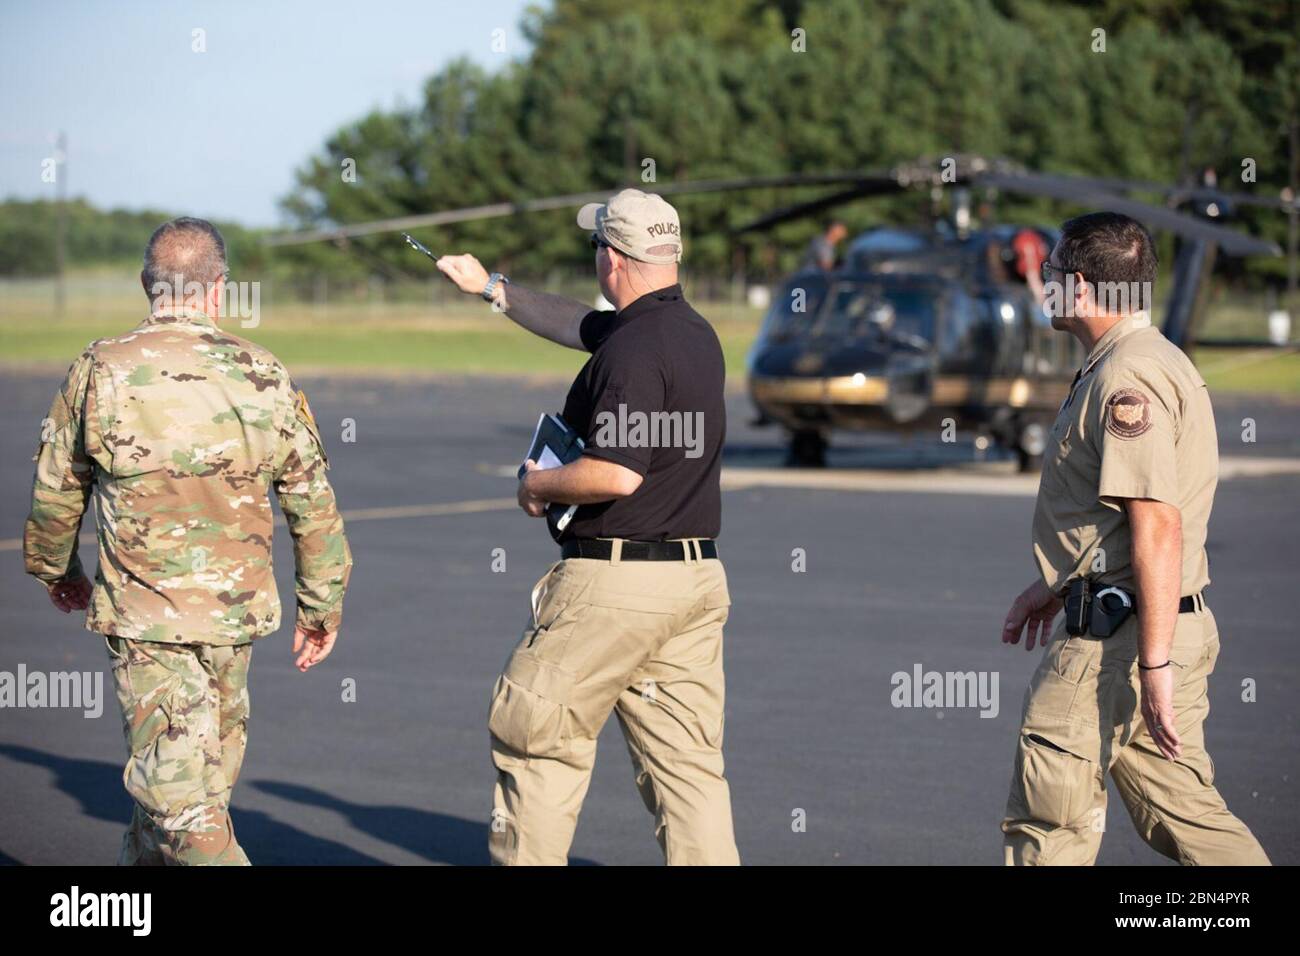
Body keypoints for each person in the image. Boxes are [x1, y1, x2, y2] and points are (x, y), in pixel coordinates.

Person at [23, 218, 353, 865]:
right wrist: (322, 607)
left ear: (148, 285)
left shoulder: (102, 369)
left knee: (186, 807)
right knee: (185, 803)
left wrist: (56, 571)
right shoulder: (264, 374)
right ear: (218, 290)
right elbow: (312, 503)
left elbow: (56, 489)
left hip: (148, 620)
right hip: (230, 623)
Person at [435, 188, 738, 865]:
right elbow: (578, 324)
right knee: (689, 775)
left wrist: (536, 485)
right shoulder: (688, 332)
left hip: (614, 585)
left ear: (614, 258)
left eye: (596, 245)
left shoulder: (633, 352)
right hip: (692, 583)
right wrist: (490, 288)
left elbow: (616, 474)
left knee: (536, 741)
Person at [999, 211, 1269, 865]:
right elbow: (1115, 521)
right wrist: (1056, 584)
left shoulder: (1127, 379)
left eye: (1054, 273)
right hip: (1142, 622)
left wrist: (1152, 665)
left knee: (1049, 820)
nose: (1046, 286)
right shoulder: (1150, 360)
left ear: (1084, 286)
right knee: (1189, 822)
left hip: (1117, 640)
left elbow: (1156, 523)